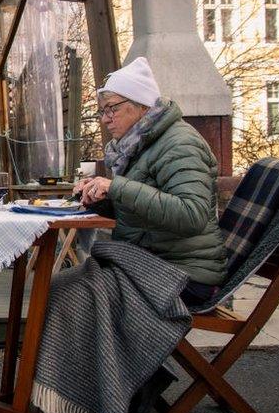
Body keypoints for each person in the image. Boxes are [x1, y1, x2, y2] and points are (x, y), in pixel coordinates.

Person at [73, 56, 227, 304]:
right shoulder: (140, 145)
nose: (105, 119)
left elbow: (192, 215)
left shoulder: (180, 143)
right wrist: (100, 199)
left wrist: (117, 187)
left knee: (75, 296)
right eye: (102, 111)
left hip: (186, 274)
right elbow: (144, 215)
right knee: (65, 286)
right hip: (154, 262)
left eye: (112, 108)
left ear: (142, 105)